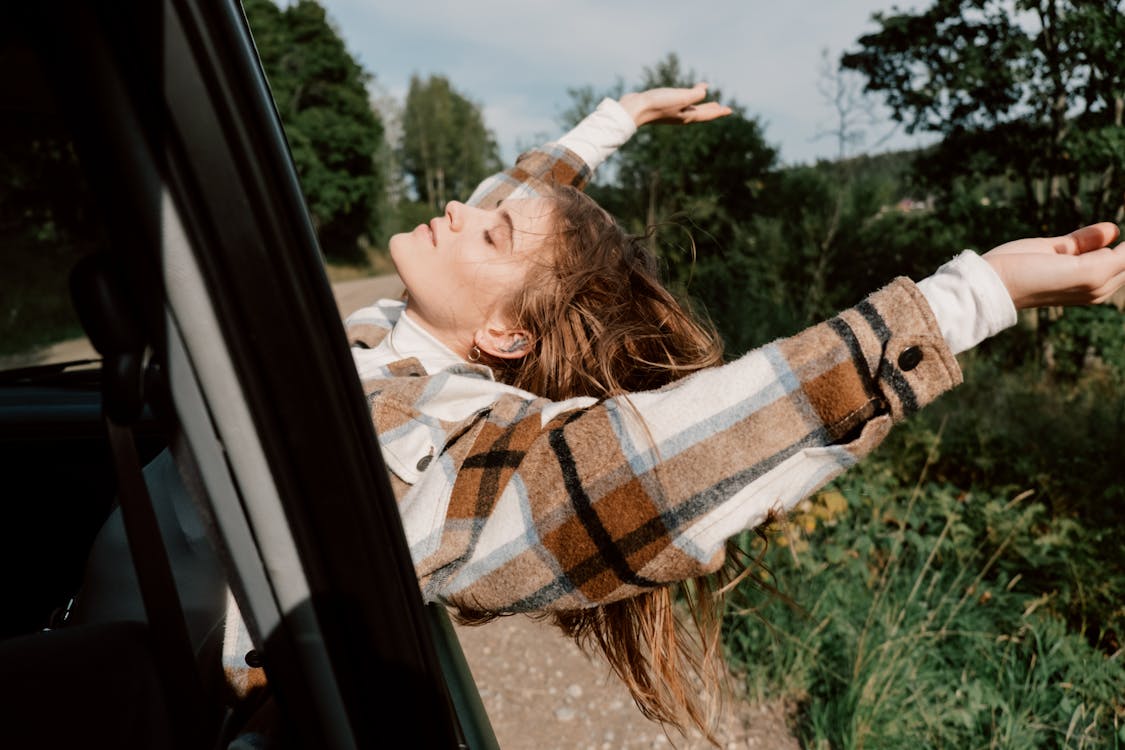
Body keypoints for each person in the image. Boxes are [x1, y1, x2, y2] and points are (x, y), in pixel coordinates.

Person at [337, 83, 1125, 737]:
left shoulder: (467, 452)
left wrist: (977, 295)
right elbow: (522, 194)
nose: (460, 204)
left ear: (506, 334)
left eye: (491, 233)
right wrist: (624, 118)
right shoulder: (388, 326)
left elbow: (668, 457)